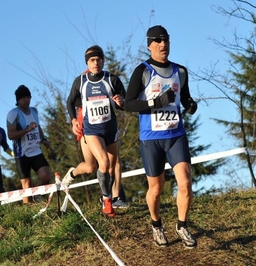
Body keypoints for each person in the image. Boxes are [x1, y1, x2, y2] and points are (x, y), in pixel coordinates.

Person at [124, 25, 198, 249]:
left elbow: (185, 99)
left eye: (165, 40)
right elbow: (128, 103)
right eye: (157, 41)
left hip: (176, 135)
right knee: (156, 189)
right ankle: (156, 225)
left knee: (185, 181)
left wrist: (191, 105)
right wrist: (155, 103)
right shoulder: (143, 70)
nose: (162, 44)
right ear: (149, 45)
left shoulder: (180, 71)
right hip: (151, 138)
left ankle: (182, 225)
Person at [65, 45, 126, 217]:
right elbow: (70, 102)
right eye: (92, 60)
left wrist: (121, 101)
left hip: (110, 130)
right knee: (104, 163)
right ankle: (107, 200)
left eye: (99, 59)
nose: (96, 63)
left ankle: (104, 196)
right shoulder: (81, 81)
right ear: (87, 63)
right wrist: (74, 120)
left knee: (112, 168)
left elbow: (125, 101)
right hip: (92, 131)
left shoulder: (112, 80)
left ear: (103, 60)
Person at [6, 85, 52, 203]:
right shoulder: (13, 114)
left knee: (46, 175)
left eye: (28, 97)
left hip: (36, 150)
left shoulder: (34, 111)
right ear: (18, 100)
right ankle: (28, 213)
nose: (26, 100)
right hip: (22, 154)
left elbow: (38, 127)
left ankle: (37, 194)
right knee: (26, 186)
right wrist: (26, 129)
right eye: (23, 98)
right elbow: (11, 135)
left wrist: (43, 139)